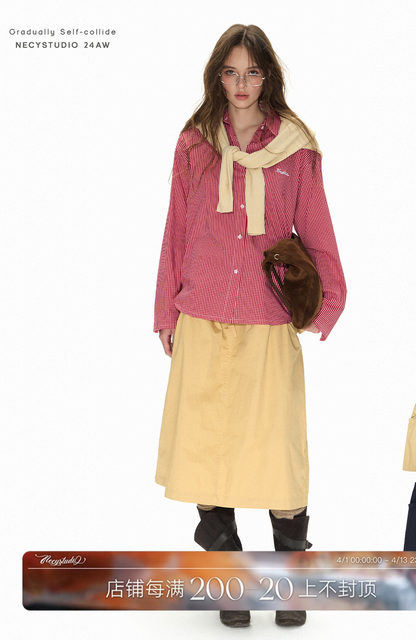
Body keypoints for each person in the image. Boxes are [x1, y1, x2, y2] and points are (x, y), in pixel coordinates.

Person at [153, 24, 347, 627]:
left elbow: (316, 227)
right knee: (207, 452)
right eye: (231, 72)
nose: (241, 84)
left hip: (266, 319)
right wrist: (165, 310)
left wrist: (329, 301)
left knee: (278, 455)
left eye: (252, 72)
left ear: (268, 77)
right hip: (202, 316)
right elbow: (177, 228)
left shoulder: (295, 147)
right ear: (218, 76)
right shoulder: (195, 143)